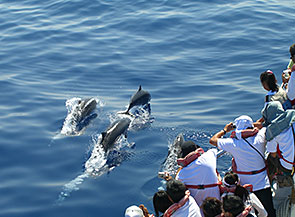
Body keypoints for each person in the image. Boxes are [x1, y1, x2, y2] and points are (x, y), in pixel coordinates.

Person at [209, 115, 276, 217]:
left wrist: (225, 130)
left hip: (243, 185)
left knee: (245, 211)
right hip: (263, 182)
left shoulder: (233, 143)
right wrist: (255, 125)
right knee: (269, 212)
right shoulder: (261, 135)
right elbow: (264, 126)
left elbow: (213, 140)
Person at [174, 138, 221, 207]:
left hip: (197, 210)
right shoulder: (208, 157)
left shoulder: (181, 174)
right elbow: (213, 150)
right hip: (216, 206)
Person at [262, 101, 295, 176]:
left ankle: (274, 177)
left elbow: (272, 153)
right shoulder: (292, 117)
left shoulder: (272, 131)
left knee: (270, 157)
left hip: (288, 165)